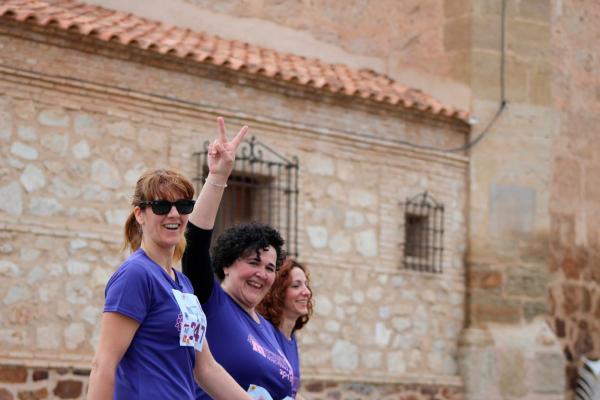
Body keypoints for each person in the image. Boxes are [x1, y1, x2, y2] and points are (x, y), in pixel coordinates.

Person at [87, 124, 252, 399]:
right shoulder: (136, 275)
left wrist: (219, 174)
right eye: (162, 206)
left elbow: (207, 369)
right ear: (140, 214)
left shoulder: (183, 285)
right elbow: (103, 364)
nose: (174, 214)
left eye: (184, 206)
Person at [182, 118, 295, 399]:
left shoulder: (270, 331)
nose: (262, 273)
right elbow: (194, 244)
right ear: (227, 264)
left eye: (270, 267)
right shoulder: (211, 301)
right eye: (253, 263)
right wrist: (218, 176)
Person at [256, 258, 313, 399]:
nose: (307, 292)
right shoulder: (264, 334)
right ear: (278, 293)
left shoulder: (291, 338)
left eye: (306, 285)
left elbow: (289, 392)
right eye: (296, 286)